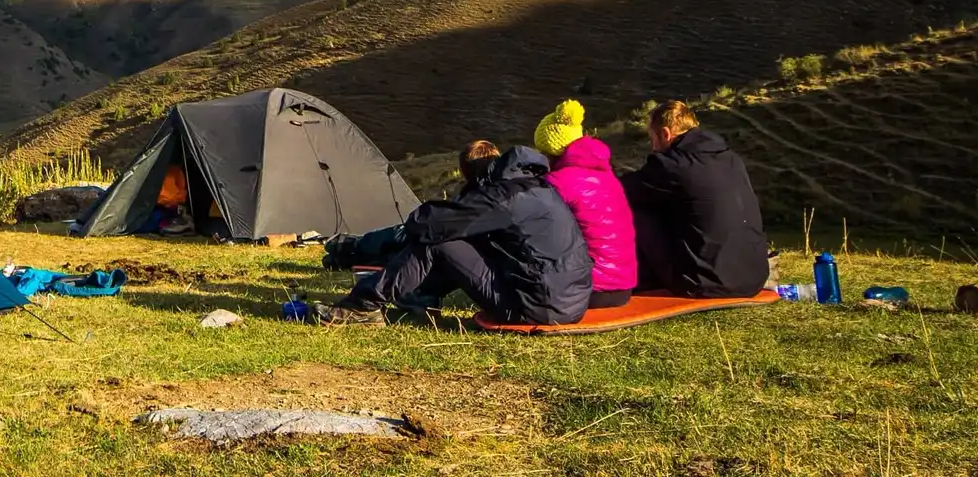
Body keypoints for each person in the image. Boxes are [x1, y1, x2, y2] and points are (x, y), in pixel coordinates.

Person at [319, 140, 592, 326]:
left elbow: (431, 225)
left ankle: (361, 306)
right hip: (571, 300)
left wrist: (421, 217)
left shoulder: (505, 197)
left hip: (537, 307)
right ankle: (418, 297)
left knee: (436, 244)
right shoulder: (540, 189)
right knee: (460, 244)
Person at [622, 100, 769, 298]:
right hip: (754, 278)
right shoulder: (731, 158)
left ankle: (635, 279)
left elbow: (620, 189)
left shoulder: (672, 164)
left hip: (703, 283)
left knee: (630, 208)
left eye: (653, 139)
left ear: (665, 134)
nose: (653, 147)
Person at [533, 99, 637, 309]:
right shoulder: (607, 176)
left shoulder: (558, 182)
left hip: (588, 290)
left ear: (550, 152)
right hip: (623, 288)